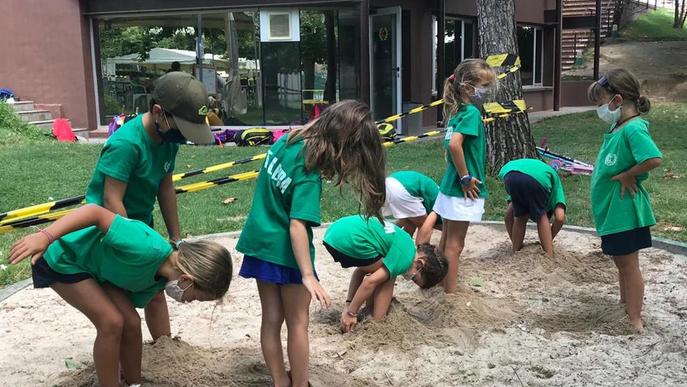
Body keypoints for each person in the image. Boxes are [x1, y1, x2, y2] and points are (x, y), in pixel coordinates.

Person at [235, 100, 386, 387]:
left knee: (270, 320)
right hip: (288, 255)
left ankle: (280, 381)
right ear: (345, 146)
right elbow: (297, 225)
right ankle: (301, 383)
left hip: (259, 244)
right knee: (298, 323)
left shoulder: (286, 143)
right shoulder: (309, 175)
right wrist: (307, 275)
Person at [7, 204, 232, 387]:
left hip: (99, 272)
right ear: (186, 280)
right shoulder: (146, 247)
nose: (189, 302)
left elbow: (128, 313)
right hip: (66, 258)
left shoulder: (157, 282)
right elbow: (94, 212)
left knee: (132, 322)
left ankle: (134, 384)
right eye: (194, 298)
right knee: (111, 322)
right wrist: (45, 237)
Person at [84, 72, 214, 341]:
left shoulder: (166, 141)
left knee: (155, 291)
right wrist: (135, 245)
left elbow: (165, 188)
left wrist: (175, 238)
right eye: (181, 128)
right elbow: (111, 200)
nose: (183, 137)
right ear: (158, 112)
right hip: (110, 229)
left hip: (141, 225)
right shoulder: (126, 145)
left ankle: (165, 348)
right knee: (120, 302)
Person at [587, 69, 662, 332]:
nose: (600, 109)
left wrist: (630, 175)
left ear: (617, 101)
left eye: (601, 103)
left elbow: (653, 158)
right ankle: (625, 305)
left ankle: (634, 319)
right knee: (621, 263)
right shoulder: (617, 125)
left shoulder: (633, 129)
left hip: (625, 211)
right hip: (612, 211)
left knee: (629, 267)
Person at [432, 59, 496, 294]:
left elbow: (451, 145)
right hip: (462, 188)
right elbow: (455, 146)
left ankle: (438, 282)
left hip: (449, 187)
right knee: (455, 245)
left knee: (446, 239)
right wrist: (466, 178)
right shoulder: (470, 113)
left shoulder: (457, 112)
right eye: (484, 86)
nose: (486, 92)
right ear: (468, 88)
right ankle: (450, 294)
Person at [322, 215, 448, 332]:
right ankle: (378, 322)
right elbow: (369, 282)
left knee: (382, 271)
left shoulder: (407, 242)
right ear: (420, 264)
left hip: (334, 232)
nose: (409, 278)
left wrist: (349, 304)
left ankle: (370, 310)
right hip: (348, 239)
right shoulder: (406, 259)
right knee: (388, 276)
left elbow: (359, 272)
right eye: (414, 278)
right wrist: (351, 313)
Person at [498, 158, 567, 256]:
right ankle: (549, 255)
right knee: (541, 216)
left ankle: (516, 251)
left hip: (509, 174)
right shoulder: (554, 183)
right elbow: (560, 218)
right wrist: (547, 238)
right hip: (538, 179)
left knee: (520, 216)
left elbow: (508, 216)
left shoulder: (541, 171)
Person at [382, 170, 442, 237]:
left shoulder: (395, 193)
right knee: (411, 221)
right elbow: (408, 217)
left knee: (422, 224)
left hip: (438, 210)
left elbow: (423, 223)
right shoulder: (391, 185)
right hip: (403, 188)